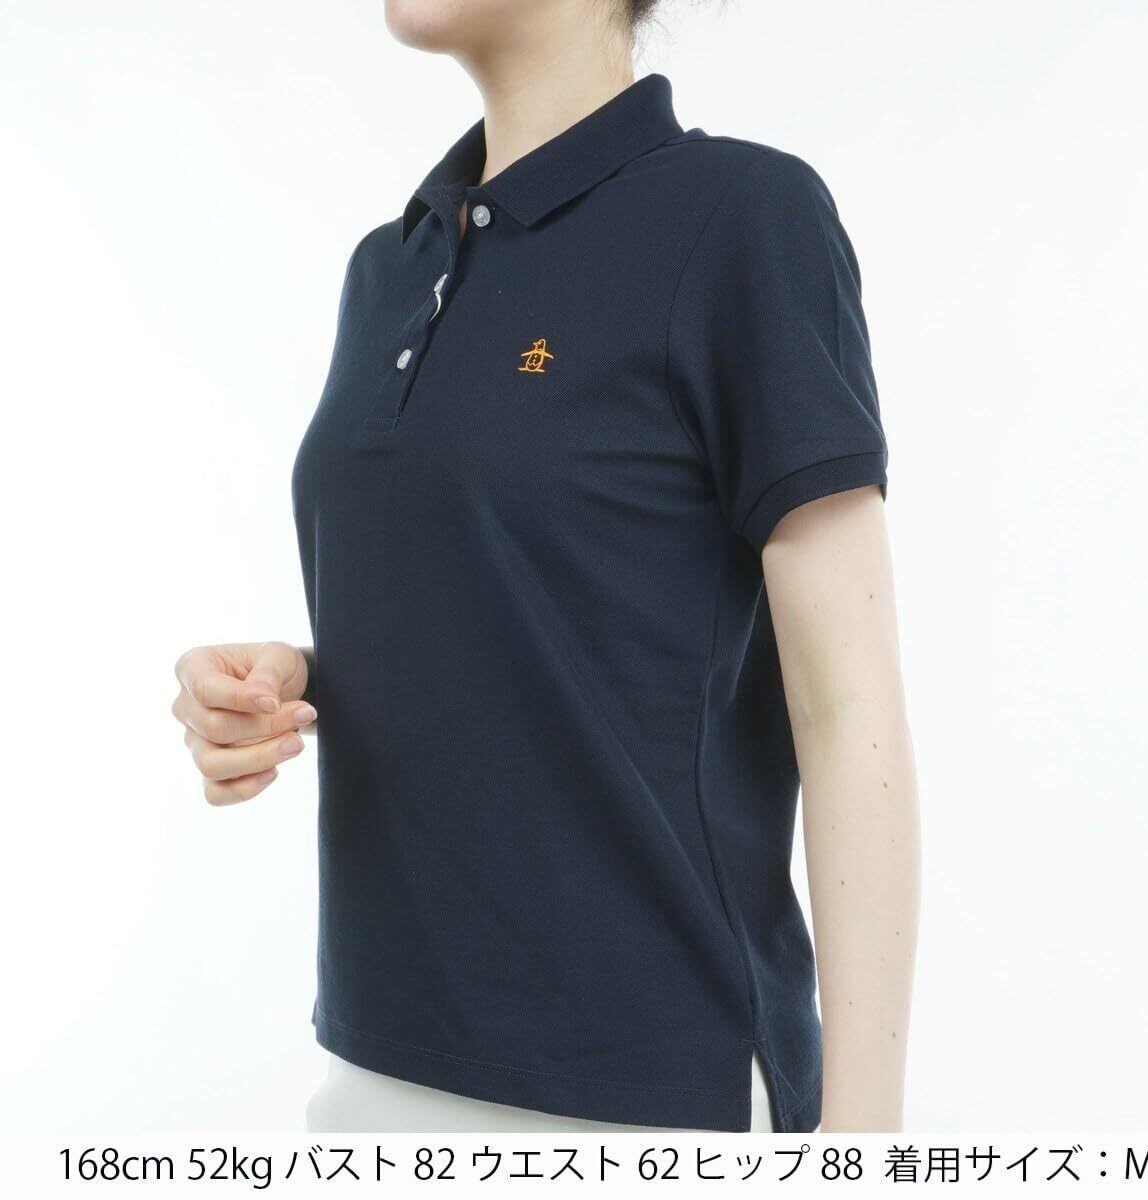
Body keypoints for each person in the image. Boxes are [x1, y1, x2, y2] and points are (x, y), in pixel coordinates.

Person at [171, 0, 920, 1133]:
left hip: (645, 1095)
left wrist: (864, 1142)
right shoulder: (390, 265)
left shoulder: (742, 215)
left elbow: (847, 701)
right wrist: (297, 680)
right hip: (372, 1072)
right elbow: (529, 608)